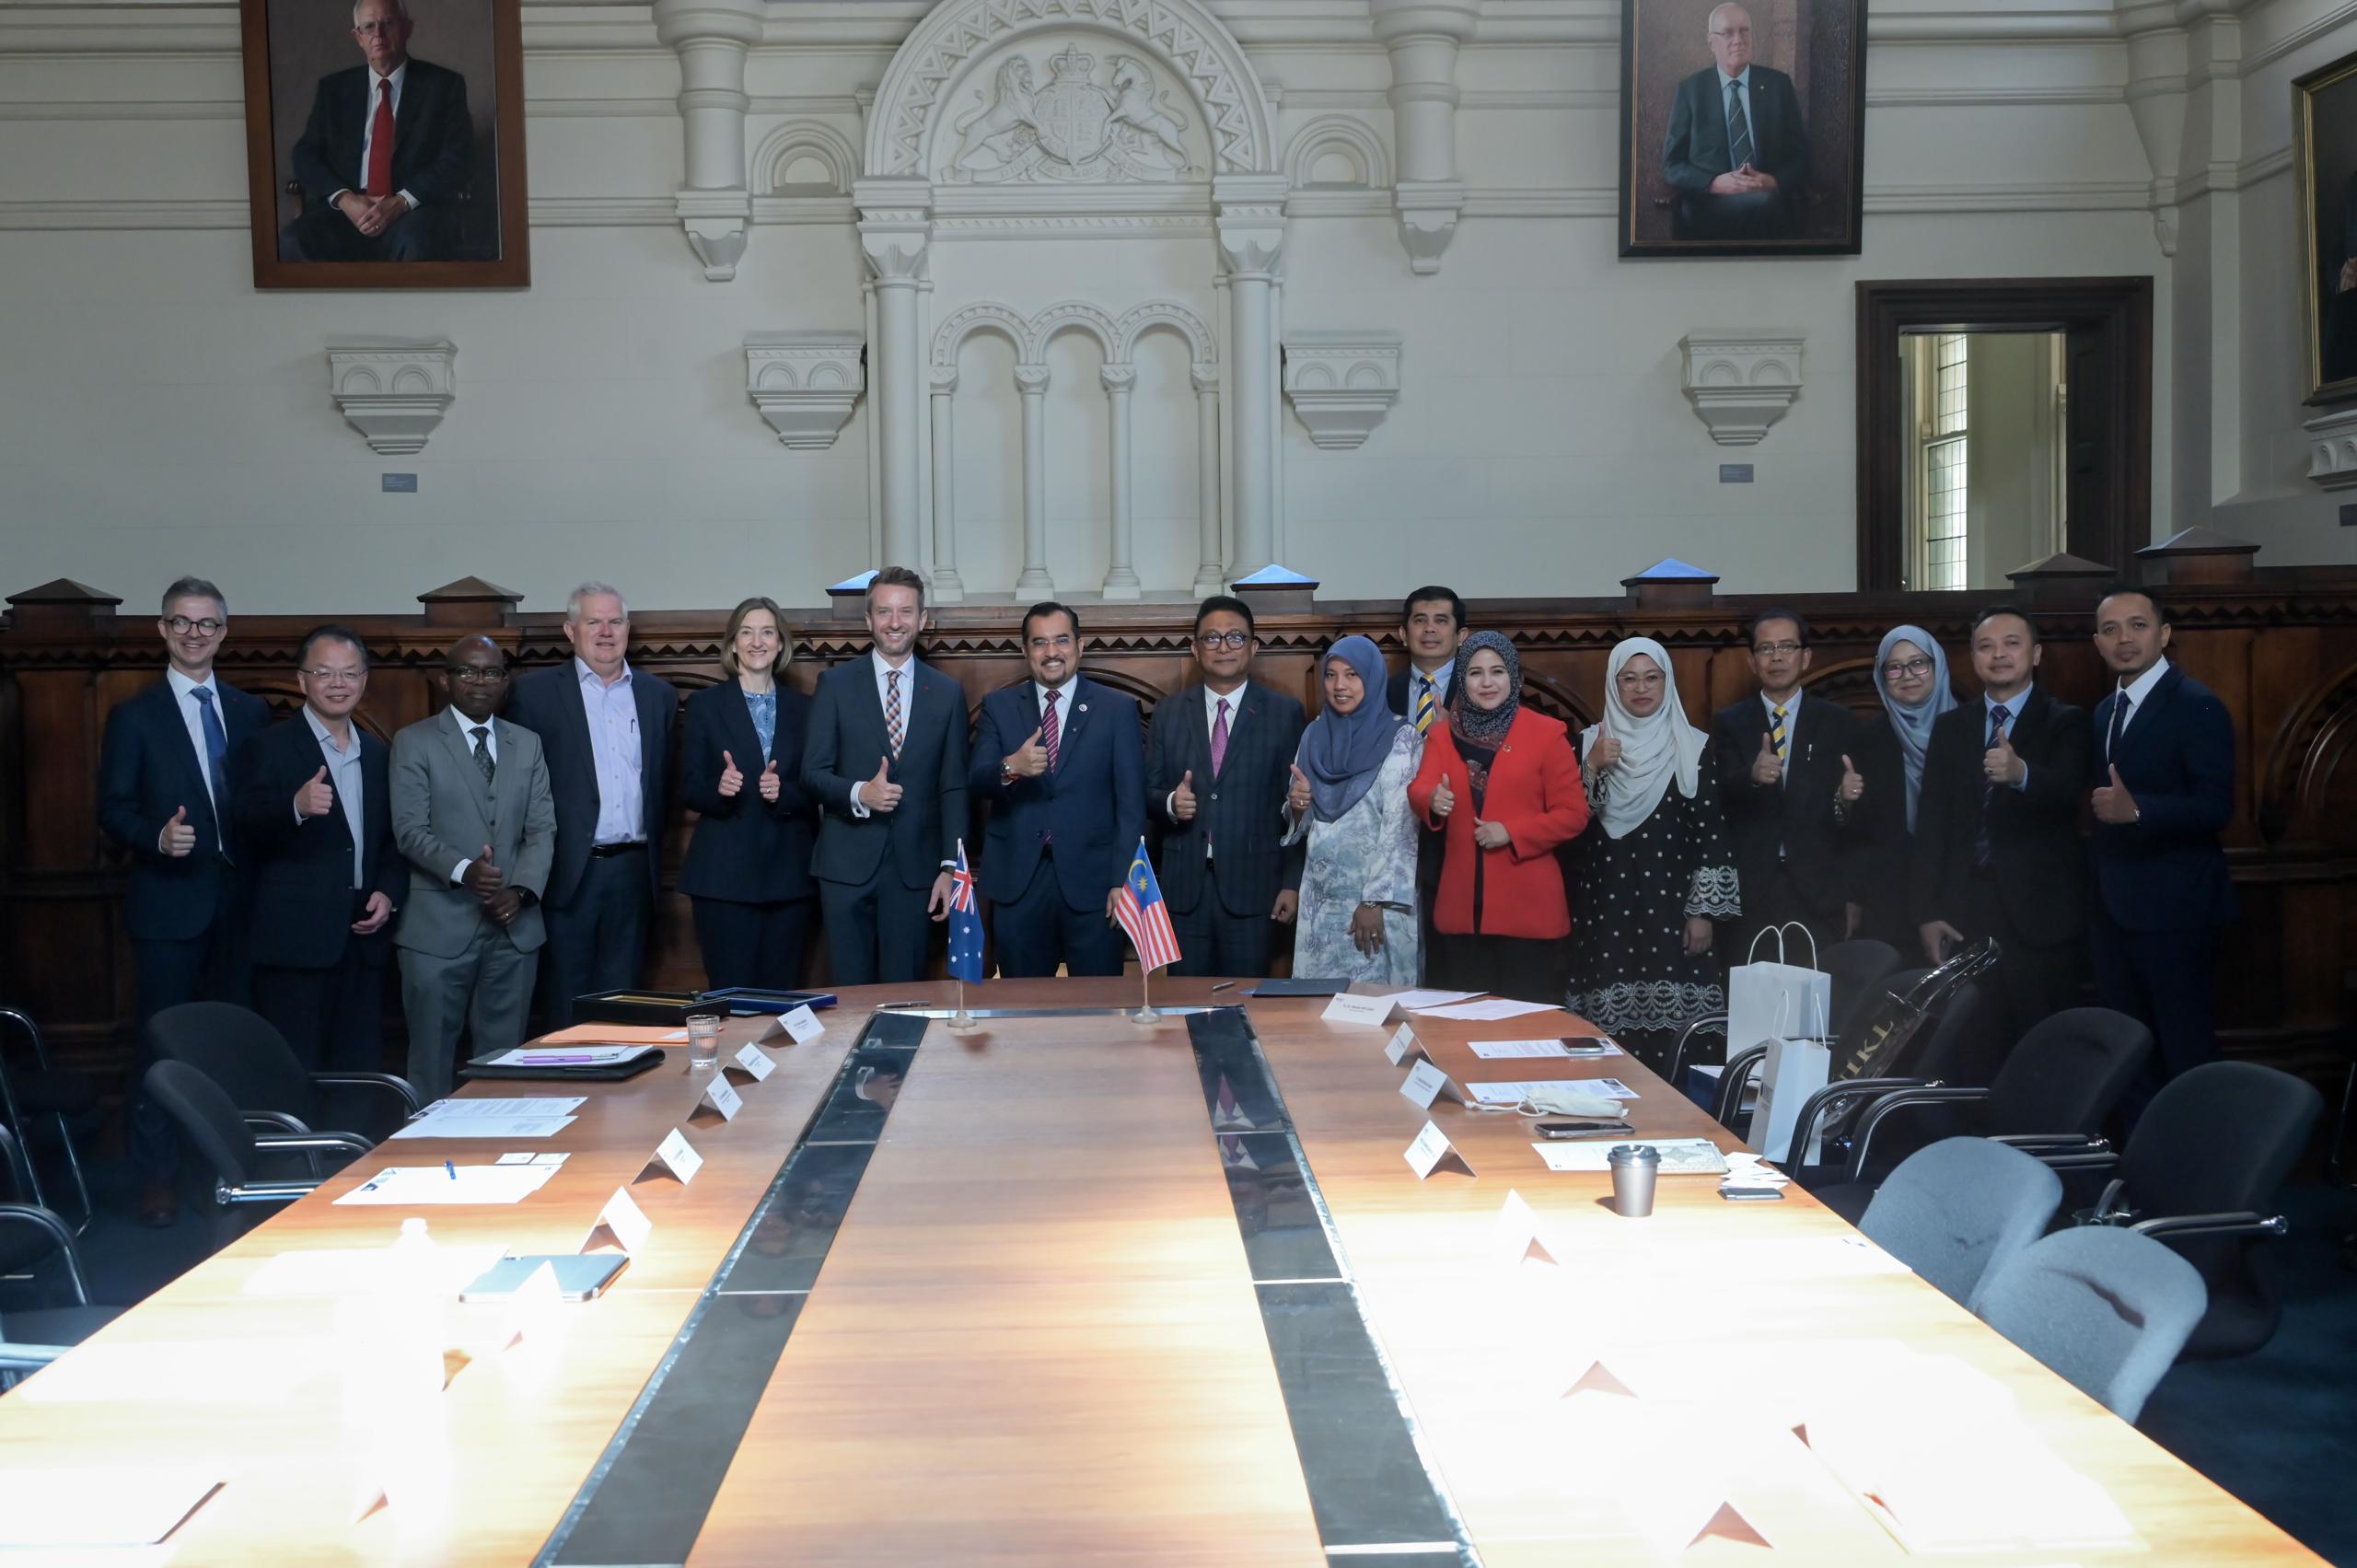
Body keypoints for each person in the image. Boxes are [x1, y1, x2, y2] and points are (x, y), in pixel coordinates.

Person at [97, 576, 271, 1225]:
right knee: (161, 1044)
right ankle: (158, 1176)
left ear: (224, 631)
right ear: (163, 630)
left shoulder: (251, 711)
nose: (195, 633)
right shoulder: (133, 716)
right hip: (169, 905)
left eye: (207, 623)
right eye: (182, 622)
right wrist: (156, 836)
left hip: (241, 904)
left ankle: (221, 1165)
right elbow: (111, 810)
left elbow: (258, 804)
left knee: (230, 1043)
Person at [1911, 605, 2091, 1045]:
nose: (1999, 655)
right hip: (1965, 909)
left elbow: (2070, 791)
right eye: (1986, 647)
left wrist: (2022, 775)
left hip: (2039, 914)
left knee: (2042, 1039)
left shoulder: (2066, 721)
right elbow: (1933, 824)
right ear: (1973, 659)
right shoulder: (1952, 727)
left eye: (2012, 644)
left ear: (2036, 654)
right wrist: (1928, 912)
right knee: (1972, 1039)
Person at [505, 583, 678, 1028]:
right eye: (593, 622)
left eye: (615, 621)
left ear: (627, 629)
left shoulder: (657, 696)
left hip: (635, 871)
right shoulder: (535, 694)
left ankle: (619, 1094)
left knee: (624, 1003)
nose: (605, 632)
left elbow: (665, 783)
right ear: (570, 630)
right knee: (567, 1001)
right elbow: (515, 789)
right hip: (568, 871)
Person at [389, 635, 555, 1098]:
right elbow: (409, 830)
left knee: (504, 1069)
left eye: (491, 672)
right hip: (437, 929)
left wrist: (520, 892)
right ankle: (420, 1164)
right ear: (446, 679)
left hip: (514, 928)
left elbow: (542, 830)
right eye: (467, 671)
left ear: (506, 681)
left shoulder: (527, 744)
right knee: (430, 1062)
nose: (479, 681)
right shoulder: (415, 741)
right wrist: (465, 870)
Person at [234, 626, 403, 1074]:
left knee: (359, 1068)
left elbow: (390, 838)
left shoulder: (377, 752)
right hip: (296, 943)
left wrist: (387, 890)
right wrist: (295, 808)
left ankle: (357, 1147)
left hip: (363, 936)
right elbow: (245, 828)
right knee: (297, 1070)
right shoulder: (267, 747)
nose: (338, 684)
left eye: (349, 674)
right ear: (302, 680)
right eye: (324, 673)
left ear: (364, 681)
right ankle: (306, 1148)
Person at [1565, 638, 1740, 1071]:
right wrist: (1592, 767)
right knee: (1607, 1039)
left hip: (1673, 903)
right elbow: (1573, 825)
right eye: (1629, 679)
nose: (1641, 688)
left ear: (1667, 683)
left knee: (1680, 1037)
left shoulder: (1694, 746)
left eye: (1652, 678)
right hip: (1606, 903)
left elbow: (1711, 834)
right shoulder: (1589, 743)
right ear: (1614, 684)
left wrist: (1703, 912)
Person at [2087, 587, 2235, 1089]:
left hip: (2178, 911)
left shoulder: (2196, 704)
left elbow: (2217, 807)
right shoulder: (2105, 711)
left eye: (2137, 625)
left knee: (2185, 1048)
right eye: (2110, 630)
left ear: (2164, 634)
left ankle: (2202, 1164)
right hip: (2114, 909)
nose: (2124, 638)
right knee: (2129, 1051)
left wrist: (2139, 811)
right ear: (2098, 643)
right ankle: (2139, 1163)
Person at [800, 567, 968, 985]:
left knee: (905, 998)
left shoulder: (947, 692)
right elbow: (811, 774)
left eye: (905, 612)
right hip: (845, 869)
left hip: (916, 873)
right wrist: (860, 793)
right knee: (849, 999)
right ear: (868, 620)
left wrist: (951, 868)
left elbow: (954, 787)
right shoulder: (835, 685)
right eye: (885, 612)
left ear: (923, 620)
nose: (895, 622)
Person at [1406, 633, 1588, 1000]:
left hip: (1529, 913)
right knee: (1466, 1031)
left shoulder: (1547, 733)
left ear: (1514, 678)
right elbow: (1419, 788)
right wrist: (1433, 799)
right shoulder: (1442, 735)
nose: (1486, 683)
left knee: (1526, 1031)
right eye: (1475, 673)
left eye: (1497, 672)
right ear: (1463, 681)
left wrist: (1512, 832)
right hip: (1462, 912)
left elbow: (1574, 813)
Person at [969, 602, 1145, 978]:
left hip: (1095, 885)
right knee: (1023, 1010)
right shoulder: (999, 706)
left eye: (1061, 640)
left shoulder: (1117, 710)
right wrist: (1010, 768)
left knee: (1097, 1009)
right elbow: (976, 780)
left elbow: (1131, 805)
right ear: (1025, 651)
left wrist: (1121, 880)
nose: (1051, 652)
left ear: (1080, 646)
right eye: (1040, 642)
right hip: (1019, 883)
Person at [1146, 596, 1306, 978]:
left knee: (1247, 1003)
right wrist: (1171, 802)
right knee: (1184, 1007)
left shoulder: (1284, 713)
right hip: (1184, 890)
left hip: (1255, 891)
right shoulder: (1169, 712)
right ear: (1194, 648)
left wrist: (1291, 883)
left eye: (1235, 637)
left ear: (1253, 647)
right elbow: (1147, 793)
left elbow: (1297, 807)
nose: (1223, 647)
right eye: (1211, 638)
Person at [1710, 609, 1866, 958]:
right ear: (1752, 661)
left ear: (1806, 657)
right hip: (1752, 889)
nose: (1776, 657)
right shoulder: (1729, 722)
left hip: (1819, 890)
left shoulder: (1839, 722)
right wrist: (1750, 777)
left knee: (1814, 1001)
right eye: (1766, 649)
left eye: (1787, 647)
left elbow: (1858, 826)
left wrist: (1845, 799)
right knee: (1753, 1000)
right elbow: (1716, 797)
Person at [679, 598, 818, 992]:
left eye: (767, 632)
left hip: (788, 877)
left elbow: (818, 787)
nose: (757, 641)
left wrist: (785, 792)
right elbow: (689, 787)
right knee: (731, 997)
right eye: (747, 632)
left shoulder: (805, 709)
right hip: (723, 879)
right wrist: (719, 789)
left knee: (781, 997)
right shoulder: (705, 705)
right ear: (733, 644)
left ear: (780, 644)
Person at [279, 0, 475, 263]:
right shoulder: (335, 89)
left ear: (407, 28)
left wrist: (402, 201)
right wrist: (345, 199)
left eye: (388, 23)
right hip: (347, 211)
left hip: (413, 211)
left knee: (419, 242)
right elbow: (306, 154)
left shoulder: (443, 85)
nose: (378, 35)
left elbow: (458, 157)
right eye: (369, 27)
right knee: (294, 241)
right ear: (358, 37)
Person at [1283, 635, 1422, 984]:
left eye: (1352, 675)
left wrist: (1373, 902)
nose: (1339, 686)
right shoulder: (1313, 735)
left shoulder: (1402, 738)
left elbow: (1401, 829)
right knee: (1318, 1010)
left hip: (1377, 905)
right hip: (1321, 900)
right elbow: (1303, 822)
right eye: (1331, 675)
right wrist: (1297, 805)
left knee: (1376, 1010)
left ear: (1372, 679)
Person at [1660, 1, 1808, 241]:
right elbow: (1671, 165)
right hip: (1709, 202)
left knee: (1768, 204)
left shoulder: (1777, 85)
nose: (1738, 39)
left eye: (1744, 31)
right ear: (1711, 43)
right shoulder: (1691, 90)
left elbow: (1801, 156)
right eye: (1728, 33)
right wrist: (1715, 183)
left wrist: (1772, 180)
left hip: (1767, 196)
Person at [1851, 625, 1957, 948]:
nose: (1907, 675)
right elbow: (1859, 836)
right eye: (1894, 667)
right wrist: (1844, 800)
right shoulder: (1869, 738)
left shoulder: (1967, 729)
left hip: (1957, 896)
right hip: (1887, 904)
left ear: (1937, 666)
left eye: (1918, 663)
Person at [1387, 586, 1467, 976]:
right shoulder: (1376, 692)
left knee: (1448, 967)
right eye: (1419, 620)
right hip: (1389, 844)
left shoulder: (1482, 691)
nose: (1430, 630)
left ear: (1461, 635)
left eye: (1441, 620)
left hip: (1455, 844)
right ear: (1403, 633)